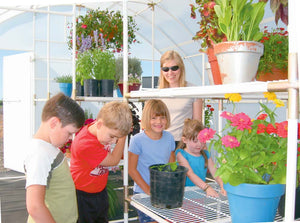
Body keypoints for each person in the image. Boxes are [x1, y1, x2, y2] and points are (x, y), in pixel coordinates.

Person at [24, 92, 85, 223]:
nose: (69, 139)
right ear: (53, 123)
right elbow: (34, 206)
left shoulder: (48, 149)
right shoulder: (40, 153)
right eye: (69, 133)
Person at [70, 101, 132, 223]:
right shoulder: (85, 144)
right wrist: (123, 137)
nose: (114, 142)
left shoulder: (103, 128)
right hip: (82, 196)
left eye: (117, 138)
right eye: (112, 136)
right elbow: (114, 160)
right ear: (99, 124)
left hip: (99, 191)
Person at [128, 99, 175, 223]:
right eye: (154, 118)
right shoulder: (137, 140)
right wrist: (148, 190)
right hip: (143, 193)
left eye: (162, 117)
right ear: (146, 119)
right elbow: (132, 169)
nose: (158, 122)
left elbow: (172, 165)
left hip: (164, 193)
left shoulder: (169, 137)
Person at [159, 50, 203, 146]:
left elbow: (197, 124)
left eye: (174, 68)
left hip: (183, 143)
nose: (170, 72)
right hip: (161, 142)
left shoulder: (193, 90)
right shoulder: (157, 93)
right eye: (165, 69)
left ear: (181, 68)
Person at [175, 118, 226, 197]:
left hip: (200, 194)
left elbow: (215, 172)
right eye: (195, 141)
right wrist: (207, 188)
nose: (199, 144)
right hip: (183, 195)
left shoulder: (206, 154)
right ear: (184, 140)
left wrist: (222, 185)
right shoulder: (181, 154)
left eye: (202, 141)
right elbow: (190, 174)